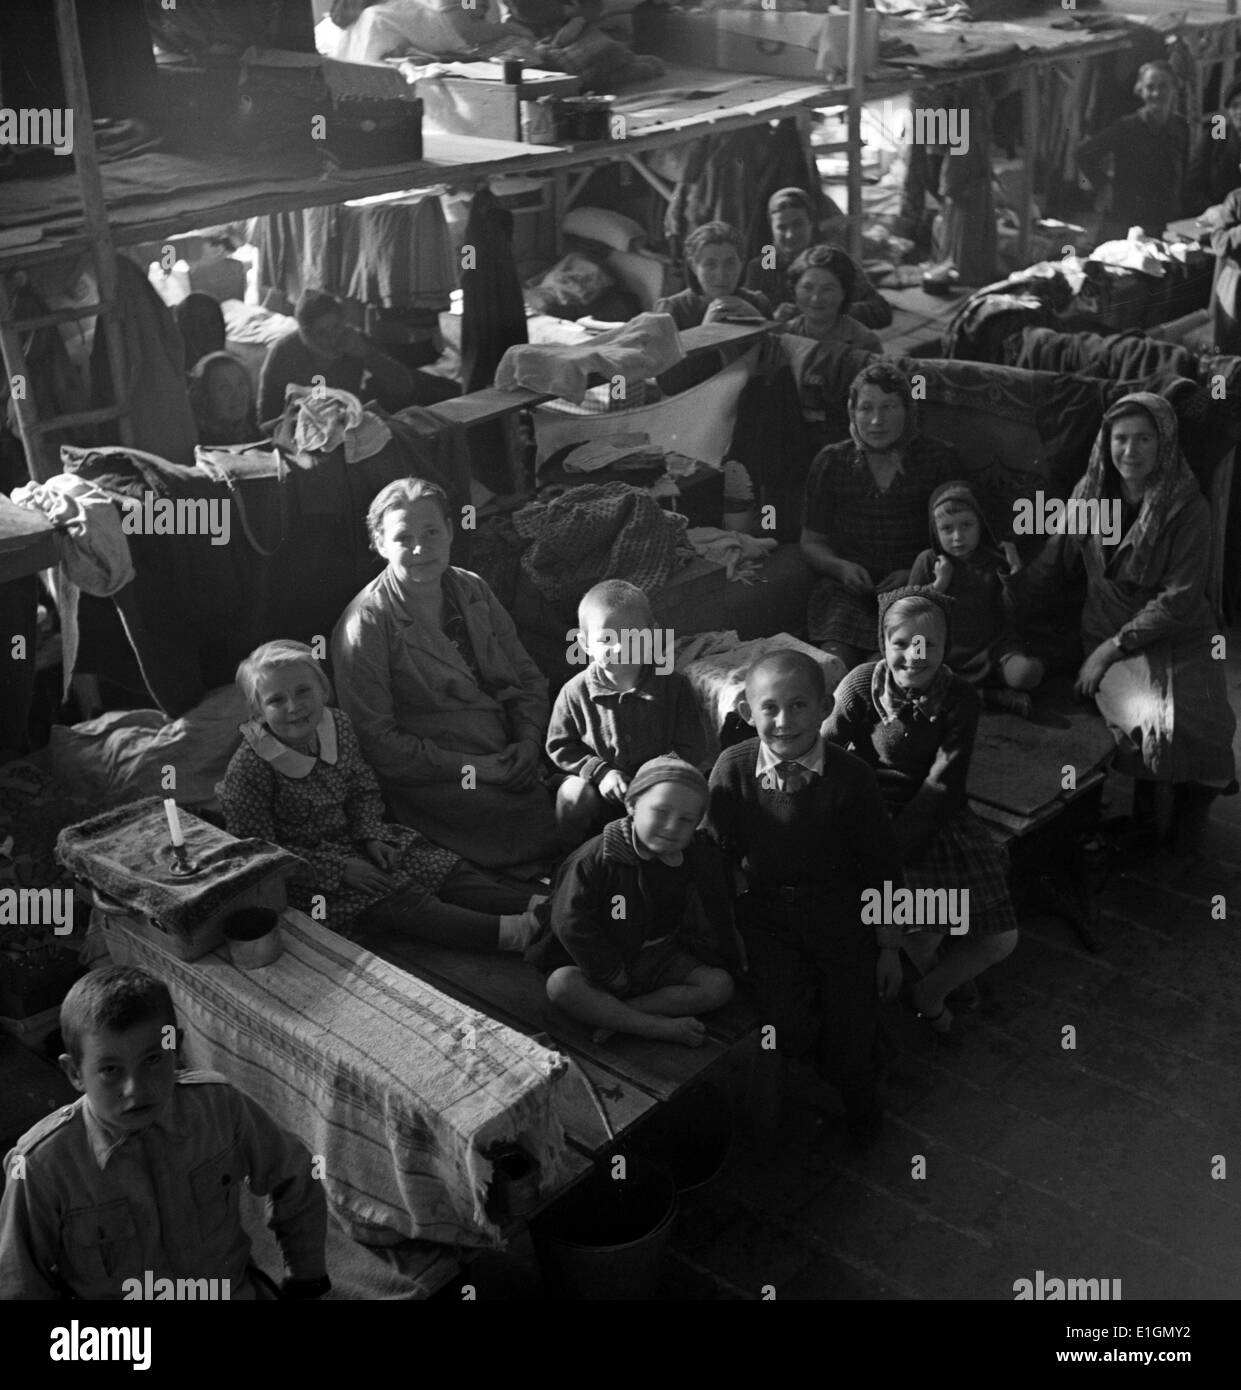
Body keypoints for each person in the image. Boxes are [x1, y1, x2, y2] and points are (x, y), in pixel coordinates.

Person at [0, 966, 329, 1301]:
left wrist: (305, 1277)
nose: (135, 1089)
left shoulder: (219, 1106)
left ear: (177, 1049)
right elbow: (20, 1282)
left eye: (154, 1059)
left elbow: (296, 1172)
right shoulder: (41, 1167)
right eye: (110, 1070)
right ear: (74, 1073)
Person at [220, 640, 545, 950]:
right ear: (258, 711)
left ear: (323, 690)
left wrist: (372, 835)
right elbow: (260, 854)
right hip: (310, 873)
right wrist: (339, 868)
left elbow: (362, 786)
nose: (294, 707)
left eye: (303, 690)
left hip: (360, 840)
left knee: (438, 866)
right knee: (399, 900)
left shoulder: (338, 725)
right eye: (276, 700)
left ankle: (541, 906)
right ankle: (518, 934)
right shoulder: (250, 769)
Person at [1020, 393, 1237, 852]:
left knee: (1208, 717)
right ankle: (1146, 822)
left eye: (1144, 439)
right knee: (1148, 717)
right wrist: (1008, 595)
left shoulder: (1188, 507)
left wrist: (1107, 651)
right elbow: (1053, 561)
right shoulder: (1092, 492)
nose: (1130, 451)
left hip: (1180, 633)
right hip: (1107, 622)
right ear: (1106, 442)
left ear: (1165, 444)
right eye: (1120, 439)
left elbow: (1179, 600)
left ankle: (1188, 816)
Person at [706, 651, 904, 1146]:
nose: (784, 721)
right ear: (747, 714)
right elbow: (715, 858)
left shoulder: (852, 777)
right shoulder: (732, 769)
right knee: (783, 1024)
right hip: (768, 919)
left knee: (851, 1033)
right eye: (769, 708)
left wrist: (889, 946)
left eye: (799, 705)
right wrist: (730, 931)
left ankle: (862, 1103)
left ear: (825, 707)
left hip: (842, 915)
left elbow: (883, 866)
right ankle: (813, 1086)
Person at [332, 478, 562, 875]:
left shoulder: (471, 588)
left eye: (432, 532)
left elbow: (526, 675)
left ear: (451, 532)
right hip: (436, 775)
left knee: (583, 793)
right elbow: (377, 743)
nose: (421, 548)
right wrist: (477, 769)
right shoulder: (366, 624)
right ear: (381, 544)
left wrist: (528, 739)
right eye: (404, 537)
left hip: (508, 746)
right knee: (532, 816)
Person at [824, 587, 1021, 1035]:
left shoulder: (960, 699)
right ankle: (927, 990)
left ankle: (930, 987)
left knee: (1000, 938)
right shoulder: (860, 685)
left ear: (946, 647)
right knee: (918, 927)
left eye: (929, 645)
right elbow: (826, 751)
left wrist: (892, 852)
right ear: (883, 642)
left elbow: (943, 785)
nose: (915, 655)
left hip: (934, 817)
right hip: (873, 815)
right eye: (902, 643)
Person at [538, 756, 738, 1046]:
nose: (671, 827)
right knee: (561, 985)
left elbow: (713, 904)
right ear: (632, 806)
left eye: (685, 820)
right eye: (660, 812)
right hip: (604, 960)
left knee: (719, 986)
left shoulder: (694, 854)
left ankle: (622, 1016)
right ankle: (655, 1027)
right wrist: (608, 971)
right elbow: (569, 920)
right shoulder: (599, 857)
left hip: (659, 956)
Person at [801, 360, 962, 669]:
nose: (876, 420)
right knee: (833, 664)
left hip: (916, 589)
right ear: (852, 412)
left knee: (888, 667)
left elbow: (961, 539)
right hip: (848, 590)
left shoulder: (939, 459)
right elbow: (811, 542)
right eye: (866, 408)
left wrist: (916, 571)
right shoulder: (831, 462)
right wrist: (840, 567)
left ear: (908, 409)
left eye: (889, 407)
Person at [547, 579, 713, 845]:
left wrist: (653, 775)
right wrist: (601, 772)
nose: (620, 648)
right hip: (599, 791)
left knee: (697, 795)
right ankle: (569, 860)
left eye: (632, 637)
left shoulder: (674, 686)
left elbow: (692, 746)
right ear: (585, 643)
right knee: (573, 794)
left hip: (658, 792)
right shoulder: (574, 692)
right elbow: (560, 746)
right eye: (606, 639)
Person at [908, 480, 1044, 717]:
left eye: (967, 525)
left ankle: (967, 693)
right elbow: (909, 617)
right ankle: (991, 697)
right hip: (942, 649)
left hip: (990, 648)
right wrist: (939, 584)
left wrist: (1013, 573)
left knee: (1027, 673)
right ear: (935, 531)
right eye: (947, 529)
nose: (958, 537)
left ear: (981, 525)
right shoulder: (929, 561)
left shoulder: (992, 561)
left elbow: (1015, 613)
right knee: (911, 669)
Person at [742, 186, 893, 330]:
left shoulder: (834, 261)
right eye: (782, 227)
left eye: (798, 224)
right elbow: (746, 320)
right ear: (772, 228)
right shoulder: (762, 267)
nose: (790, 234)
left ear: (811, 224)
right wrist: (773, 318)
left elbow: (881, 312)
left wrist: (829, 310)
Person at [257, 288, 413, 424]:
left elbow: (404, 386)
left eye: (336, 327)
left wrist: (368, 354)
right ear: (306, 336)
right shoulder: (284, 353)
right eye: (322, 333)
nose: (332, 339)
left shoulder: (353, 340)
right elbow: (266, 419)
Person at [1077, 61, 1190, 241]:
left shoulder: (1181, 127)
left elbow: (1184, 171)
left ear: (1175, 88)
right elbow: (1084, 153)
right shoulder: (1127, 126)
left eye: (1163, 86)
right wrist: (1104, 185)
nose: (1156, 93)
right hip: (1124, 221)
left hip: (1162, 221)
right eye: (1150, 87)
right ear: (1140, 90)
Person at [654, 221, 771, 331]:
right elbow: (664, 353)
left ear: (742, 263)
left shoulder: (757, 302)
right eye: (710, 264)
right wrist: (705, 332)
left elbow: (779, 349)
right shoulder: (672, 310)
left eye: (730, 263)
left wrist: (761, 323)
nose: (721, 275)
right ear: (693, 266)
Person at [776, 245, 883, 354]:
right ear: (794, 288)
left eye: (827, 289)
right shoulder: (782, 335)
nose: (816, 298)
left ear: (844, 293)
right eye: (807, 288)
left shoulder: (865, 343)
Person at [1197, 165, 1241, 355]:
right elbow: (1219, 243)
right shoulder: (1235, 199)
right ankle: (1219, 386)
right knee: (1225, 356)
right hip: (1236, 287)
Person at [1186, 76, 1241, 211]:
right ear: (1228, 110)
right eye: (1235, 106)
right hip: (1215, 220)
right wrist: (1217, 212)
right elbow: (1192, 189)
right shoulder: (1216, 136)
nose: (1240, 111)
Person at [189, 350, 261, 446]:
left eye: (241, 384)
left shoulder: (260, 434)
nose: (238, 395)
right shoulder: (197, 445)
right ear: (205, 396)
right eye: (224, 387)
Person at [174, 291, 226, 373]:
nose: (211, 330)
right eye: (201, 323)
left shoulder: (231, 366)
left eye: (214, 321)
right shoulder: (173, 371)